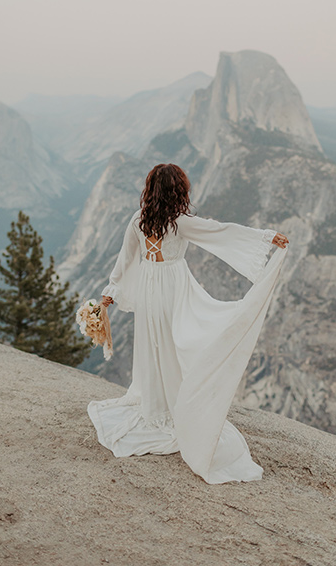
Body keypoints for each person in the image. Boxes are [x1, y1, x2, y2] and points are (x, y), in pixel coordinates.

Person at [87, 163, 289, 484]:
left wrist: (112, 291)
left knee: (154, 347)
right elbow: (220, 230)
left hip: (148, 289)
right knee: (176, 344)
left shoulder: (137, 220)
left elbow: (124, 260)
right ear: (178, 190)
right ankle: (177, 409)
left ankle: (157, 408)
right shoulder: (180, 223)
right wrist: (266, 238)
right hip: (173, 288)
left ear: (150, 188)